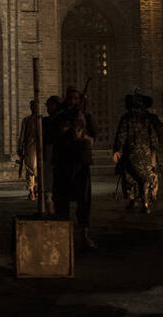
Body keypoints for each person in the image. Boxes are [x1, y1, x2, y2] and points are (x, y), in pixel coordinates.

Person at [51, 86, 97, 248]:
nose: (73, 102)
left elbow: (93, 132)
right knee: (62, 201)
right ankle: (63, 237)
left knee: (84, 201)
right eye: (70, 99)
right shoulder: (61, 116)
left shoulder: (85, 115)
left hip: (81, 163)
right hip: (64, 164)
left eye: (76, 99)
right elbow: (54, 134)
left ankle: (84, 235)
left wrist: (84, 117)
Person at [113, 93, 161, 213]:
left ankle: (133, 200)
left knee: (130, 177)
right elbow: (153, 137)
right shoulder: (147, 118)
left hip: (130, 153)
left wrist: (118, 150)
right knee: (146, 177)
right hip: (145, 154)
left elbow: (121, 135)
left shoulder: (127, 118)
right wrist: (154, 152)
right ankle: (146, 203)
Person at [17, 97, 59, 210]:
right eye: (32, 107)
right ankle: (31, 190)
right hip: (30, 148)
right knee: (31, 170)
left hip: (41, 148)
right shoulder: (27, 120)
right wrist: (20, 148)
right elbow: (22, 135)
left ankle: (37, 190)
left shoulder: (42, 120)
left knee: (40, 170)